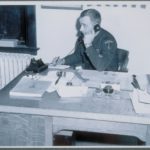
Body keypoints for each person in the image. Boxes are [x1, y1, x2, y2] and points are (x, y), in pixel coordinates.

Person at [52, 8, 118, 71]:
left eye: (84, 25)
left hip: (107, 77)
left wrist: (88, 45)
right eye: (81, 25)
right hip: (89, 75)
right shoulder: (84, 37)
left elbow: (101, 66)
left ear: (96, 27)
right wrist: (63, 61)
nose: (81, 29)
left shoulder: (108, 40)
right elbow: (78, 56)